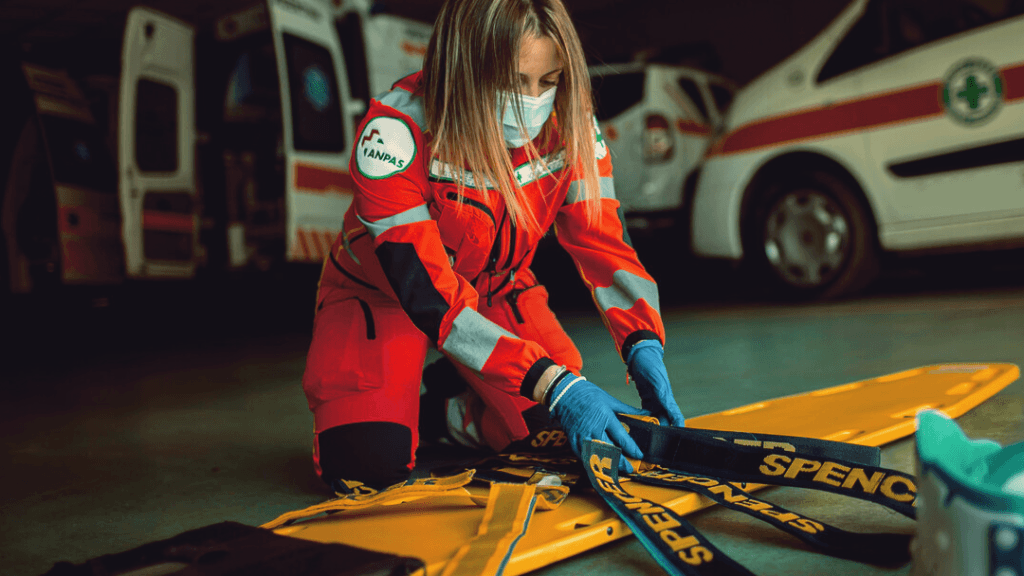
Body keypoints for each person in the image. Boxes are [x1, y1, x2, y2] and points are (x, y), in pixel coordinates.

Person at [301, 0, 685, 493]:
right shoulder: (394, 136)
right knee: (366, 466)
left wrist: (643, 340)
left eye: (549, 81)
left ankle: (447, 409)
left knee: (557, 442)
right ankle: (400, 402)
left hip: (498, 289)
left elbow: (603, 239)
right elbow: (432, 297)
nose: (534, 100)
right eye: (514, 81)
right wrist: (553, 382)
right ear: (464, 67)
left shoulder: (572, 123)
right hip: (382, 297)